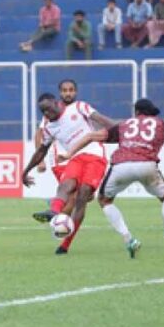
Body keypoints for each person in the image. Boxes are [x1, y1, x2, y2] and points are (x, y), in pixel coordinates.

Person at [58, 98, 164, 258]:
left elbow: (91, 136)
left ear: (136, 112)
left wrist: (68, 153)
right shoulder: (161, 124)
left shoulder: (124, 125)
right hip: (147, 165)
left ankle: (128, 239)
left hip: (121, 166)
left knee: (104, 200)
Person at [22, 94, 115, 255]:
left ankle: (65, 244)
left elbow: (101, 119)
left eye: (48, 109)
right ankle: (54, 211)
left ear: (56, 103)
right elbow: (41, 150)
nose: (46, 113)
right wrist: (26, 171)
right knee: (66, 185)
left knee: (83, 196)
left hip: (95, 156)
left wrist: (123, 130)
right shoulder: (49, 127)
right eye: (43, 111)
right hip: (75, 158)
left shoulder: (78, 107)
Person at [33, 79, 82, 219]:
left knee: (86, 195)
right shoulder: (53, 110)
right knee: (74, 195)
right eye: (65, 91)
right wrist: (40, 160)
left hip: (79, 158)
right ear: (60, 93)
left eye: (71, 90)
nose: (68, 93)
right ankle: (59, 223)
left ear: (76, 92)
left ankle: (56, 206)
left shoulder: (80, 108)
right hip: (60, 160)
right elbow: (39, 134)